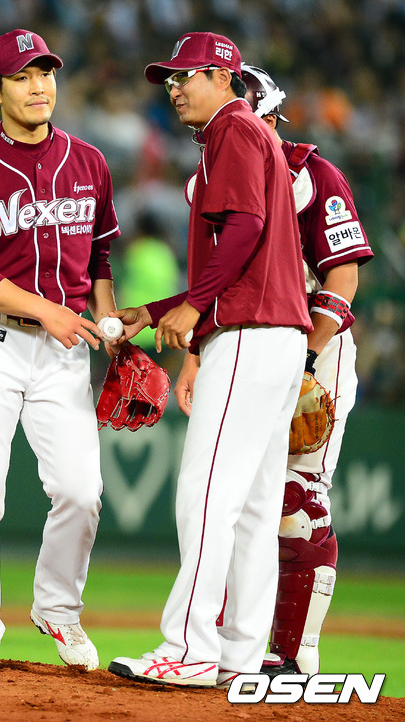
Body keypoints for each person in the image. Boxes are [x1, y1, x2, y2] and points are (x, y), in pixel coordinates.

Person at [107, 31, 313, 688]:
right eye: (169, 79)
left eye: (186, 75)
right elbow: (248, 243)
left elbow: (245, 228)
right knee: (252, 507)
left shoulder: (232, 127)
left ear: (224, 77)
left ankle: (189, 649)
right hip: (279, 334)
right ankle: (238, 655)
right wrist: (158, 308)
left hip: (249, 331)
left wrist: (194, 307)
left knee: (205, 494)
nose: (174, 88)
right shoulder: (252, 135)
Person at [0, 29, 121, 672]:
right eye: (22, 76)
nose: (39, 86)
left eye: (45, 73)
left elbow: (100, 255)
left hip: (65, 350)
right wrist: (46, 310)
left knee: (81, 491)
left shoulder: (90, 162)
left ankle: (57, 609)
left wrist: (107, 322)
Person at [237, 64, 374, 677]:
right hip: (244, 348)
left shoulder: (314, 175)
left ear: (268, 117)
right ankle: (228, 644)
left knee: (297, 500)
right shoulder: (211, 177)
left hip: (312, 348)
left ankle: (295, 657)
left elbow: (342, 276)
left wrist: (309, 359)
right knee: (234, 501)